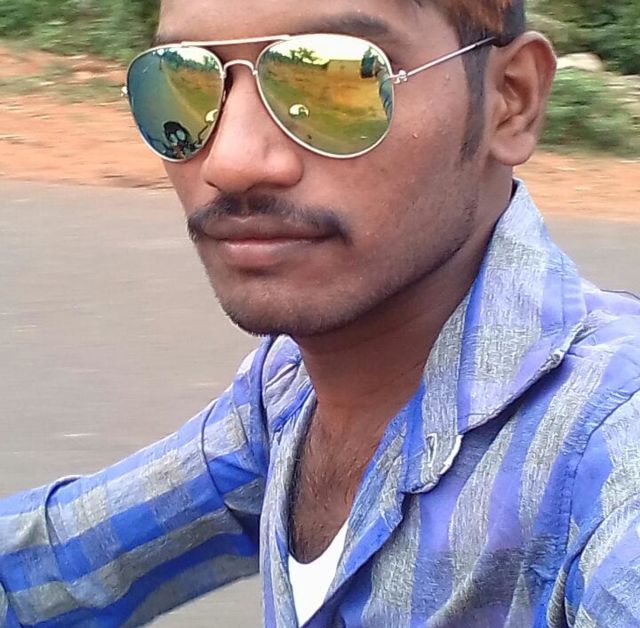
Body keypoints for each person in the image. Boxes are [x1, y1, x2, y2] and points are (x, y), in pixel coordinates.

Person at [2, 0, 640, 626]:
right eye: (182, 84)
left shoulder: (608, 446)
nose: (230, 162)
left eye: (334, 80)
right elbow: (61, 563)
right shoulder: (288, 389)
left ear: (511, 98)